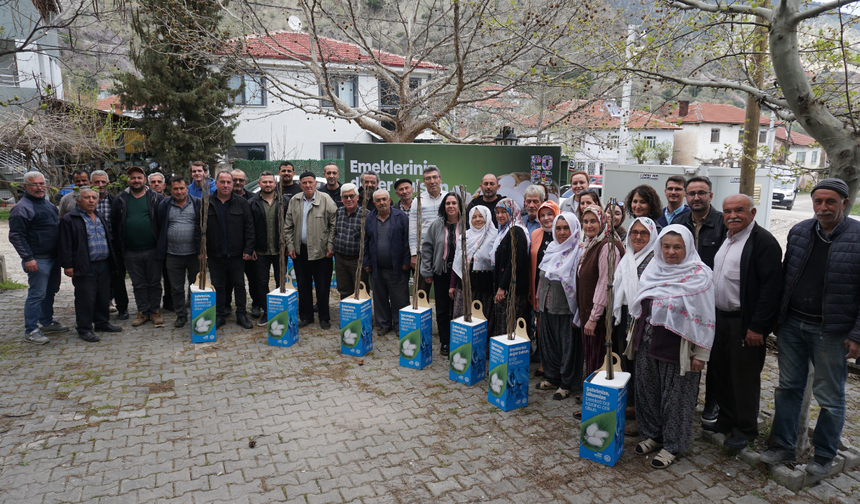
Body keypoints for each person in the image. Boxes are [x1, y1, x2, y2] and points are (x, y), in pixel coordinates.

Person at [761, 178, 860, 475]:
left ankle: (824, 455)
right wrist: (777, 317)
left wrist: (857, 335)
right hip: (792, 324)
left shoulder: (857, 237)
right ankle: (784, 445)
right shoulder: (800, 231)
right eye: (818, 201)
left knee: (830, 396)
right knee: (788, 388)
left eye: (831, 202)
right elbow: (786, 274)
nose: (823, 207)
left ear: (845, 203)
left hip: (831, 332)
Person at [630, 225, 715, 469]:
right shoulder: (653, 269)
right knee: (648, 393)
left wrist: (701, 354)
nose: (671, 252)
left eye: (678, 247)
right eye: (666, 246)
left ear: (688, 248)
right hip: (648, 344)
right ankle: (653, 435)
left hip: (679, 351)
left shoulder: (700, 275)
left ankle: (673, 445)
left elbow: (707, 316)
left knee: (676, 401)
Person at [706, 194, 783, 450]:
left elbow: (771, 289)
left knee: (744, 377)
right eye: (727, 211)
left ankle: (745, 429)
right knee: (721, 372)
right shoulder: (728, 238)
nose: (732, 216)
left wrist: (758, 326)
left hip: (744, 322)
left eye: (739, 210)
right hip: (720, 318)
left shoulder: (763, 242)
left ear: (753, 213)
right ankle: (726, 420)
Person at [674, 175, 726, 424]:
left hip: (711, 298)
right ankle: (688, 398)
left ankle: (712, 402)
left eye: (701, 193)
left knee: (712, 355)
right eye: (692, 193)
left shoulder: (722, 223)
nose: (696, 197)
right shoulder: (680, 222)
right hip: (684, 296)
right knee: (686, 350)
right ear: (686, 196)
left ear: (710, 196)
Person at [8, 171, 67, 344]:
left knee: (50, 291)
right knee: (37, 294)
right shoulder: (22, 208)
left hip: (53, 257)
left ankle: (46, 322)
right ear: (25, 186)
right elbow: (16, 236)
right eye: (35, 184)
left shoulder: (47, 204)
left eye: (42, 184)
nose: (40, 187)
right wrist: (28, 258)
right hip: (38, 259)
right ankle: (31, 330)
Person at [613, 217, 659, 434]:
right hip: (625, 317)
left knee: (643, 371)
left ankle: (646, 418)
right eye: (634, 232)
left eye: (644, 233)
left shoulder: (656, 260)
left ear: (652, 236)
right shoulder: (627, 256)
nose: (638, 237)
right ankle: (632, 405)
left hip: (643, 322)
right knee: (628, 365)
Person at [59, 187, 122, 342]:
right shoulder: (69, 219)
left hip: (103, 263)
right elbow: (65, 244)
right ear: (78, 200)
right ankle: (84, 328)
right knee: (85, 298)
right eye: (87, 198)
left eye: (94, 198)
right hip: (84, 265)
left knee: (103, 295)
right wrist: (68, 265)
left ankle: (102, 323)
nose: (91, 201)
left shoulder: (99, 216)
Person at [535, 212, 583, 401]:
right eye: (558, 228)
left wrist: (578, 314)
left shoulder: (578, 251)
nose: (562, 232)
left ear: (574, 229)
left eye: (566, 228)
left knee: (567, 348)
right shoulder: (551, 249)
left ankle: (567, 383)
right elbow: (542, 276)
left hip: (566, 309)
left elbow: (580, 285)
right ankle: (552, 377)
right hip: (546, 307)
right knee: (548, 345)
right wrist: (538, 299)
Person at [111, 166, 165, 328]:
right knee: (138, 283)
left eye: (139, 177)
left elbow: (163, 222)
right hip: (130, 251)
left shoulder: (156, 198)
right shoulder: (120, 199)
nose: (136, 180)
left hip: (153, 249)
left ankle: (155, 311)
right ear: (129, 180)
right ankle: (143, 312)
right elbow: (114, 224)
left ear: (144, 179)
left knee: (154, 282)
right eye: (133, 178)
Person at [285, 171, 337, 329]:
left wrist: (330, 245)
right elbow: (288, 226)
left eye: (310, 182)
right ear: (300, 185)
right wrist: (290, 246)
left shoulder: (325, 199)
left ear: (315, 183)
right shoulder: (295, 200)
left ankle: (324, 318)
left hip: (322, 252)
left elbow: (333, 224)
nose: (308, 185)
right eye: (304, 183)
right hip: (300, 251)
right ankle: (306, 316)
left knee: (323, 286)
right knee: (303, 285)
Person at [576, 204, 624, 378]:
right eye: (585, 221)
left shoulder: (608, 246)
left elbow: (605, 284)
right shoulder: (592, 243)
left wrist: (594, 317)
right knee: (591, 359)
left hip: (599, 318)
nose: (588, 225)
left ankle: (596, 392)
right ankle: (591, 390)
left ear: (602, 222)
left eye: (593, 221)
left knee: (599, 362)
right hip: (589, 314)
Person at [204, 171, 255, 329]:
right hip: (215, 254)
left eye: (228, 182)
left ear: (232, 184)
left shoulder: (242, 203)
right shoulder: (206, 202)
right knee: (218, 286)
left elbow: (249, 227)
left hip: (237, 254)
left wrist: (248, 248)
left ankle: (241, 315)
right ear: (216, 184)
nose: (225, 185)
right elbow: (199, 228)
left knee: (239, 285)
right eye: (222, 182)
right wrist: (202, 250)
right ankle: (220, 315)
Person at [421, 191, 464, 356]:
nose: (451, 206)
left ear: (460, 206)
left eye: (454, 203)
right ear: (443, 206)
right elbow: (427, 249)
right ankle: (445, 341)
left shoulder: (467, 224)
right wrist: (427, 271)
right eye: (448, 203)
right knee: (442, 308)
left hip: (462, 275)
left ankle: (459, 340)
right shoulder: (436, 225)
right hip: (442, 272)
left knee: (460, 307)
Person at [156, 175, 202, 328]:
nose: (179, 191)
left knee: (196, 287)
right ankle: (181, 315)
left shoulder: (197, 203)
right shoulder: (164, 204)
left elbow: (203, 227)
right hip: (173, 254)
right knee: (176, 288)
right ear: (171, 189)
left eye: (182, 188)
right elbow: (160, 226)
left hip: (195, 255)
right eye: (175, 189)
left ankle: (197, 314)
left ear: (187, 188)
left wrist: (202, 250)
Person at [363, 189, 411, 335]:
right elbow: (365, 242)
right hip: (376, 267)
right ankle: (384, 324)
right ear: (374, 203)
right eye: (378, 200)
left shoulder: (401, 217)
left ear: (389, 200)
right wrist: (366, 262)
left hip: (397, 267)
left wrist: (406, 261)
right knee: (380, 298)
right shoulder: (369, 218)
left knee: (400, 299)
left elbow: (407, 241)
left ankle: (400, 326)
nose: (382, 202)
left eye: (384, 199)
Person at [249, 171, 288, 326]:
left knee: (281, 281)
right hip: (260, 251)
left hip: (280, 250)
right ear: (259, 184)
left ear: (275, 183)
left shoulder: (284, 201)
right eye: (264, 182)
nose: (268, 184)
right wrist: (250, 248)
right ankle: (267, 311)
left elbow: (290, 225)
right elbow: (249, 227)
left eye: (270, 182)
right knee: (261, 282)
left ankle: (280, 311)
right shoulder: (252, 203)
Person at [490, 198, 530, 338]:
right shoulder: (504, 231)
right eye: (497, 212)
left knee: (510, 326)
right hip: (508, 288)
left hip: (513, 290)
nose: (499, 215)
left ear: (512, 212)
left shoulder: (516, 231)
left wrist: (502, 287)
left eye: (504, 212)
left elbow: (515, 262)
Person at [451, 204, 498, 321]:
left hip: (485, 288)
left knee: (482, 319)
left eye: (481, 216)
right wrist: (452, 285)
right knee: (462, 318)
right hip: (465, 286)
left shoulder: (495, 236)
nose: (477, 219)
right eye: (474, 217)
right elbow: (457, 262)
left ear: (487, 217)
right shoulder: (464, 237)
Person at [528, 200, 560, 376]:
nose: (546, 218)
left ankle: (556, 364)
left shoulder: (563, 232)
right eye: (543, 215)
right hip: (539, 286)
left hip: (557, 290)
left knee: (555, 328)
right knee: (541, 326)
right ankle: (543, 362)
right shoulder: (535, 233)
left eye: (550, 214)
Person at [92, 169, 128, 320]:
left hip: (114, 245)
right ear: (91, 183)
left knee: (118, 278)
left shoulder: (116, 200)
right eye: (96, 182)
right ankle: (99, 309)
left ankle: (122, 308)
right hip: (94, 246)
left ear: (108, 183)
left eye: (103, 182)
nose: (100, 185)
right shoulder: (87, 200)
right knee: (97, 279)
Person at [225, 168, 259, 316]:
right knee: (229, 281)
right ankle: (226, 306)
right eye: (234, 180)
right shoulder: (223, 199)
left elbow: (255, 226)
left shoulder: (254, 198)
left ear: (245, 182)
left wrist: (252, 247)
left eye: (240, 180)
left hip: (250, 248)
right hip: (231, 249)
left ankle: (256, 305)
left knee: (253, 279)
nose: (237, 182)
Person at [409, 167, 446, 288]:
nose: (432, 181)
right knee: (421, 291)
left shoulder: (448, 198)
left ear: (440, 179)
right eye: (428, 178)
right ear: (424, 182)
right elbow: (413, 228)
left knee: (443, 290)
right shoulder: (418, 201)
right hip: (424, 253)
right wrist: (414, 254)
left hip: (444, 251)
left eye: (435, 177)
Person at [333, 183, 369, 299]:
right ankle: (347, 310)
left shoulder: (366, 215)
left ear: (357, 197)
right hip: (340, 259)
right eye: (345, 197)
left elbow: (370, 240)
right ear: (341, 198)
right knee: (344, 290)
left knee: (360, 290)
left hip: (357, 260)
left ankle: (362, 311)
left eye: (352, 196)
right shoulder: (338, 212)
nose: (349, 199)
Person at [147, 170, 173, 311]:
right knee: (153, 277)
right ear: (148, 184)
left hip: (168, 245)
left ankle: (169, 301)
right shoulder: (146, 201)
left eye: (159, 182)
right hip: (152, 245)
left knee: (169, 276)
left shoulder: (170, 201)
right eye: (153, 182)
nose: (156, 184)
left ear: (164, 185)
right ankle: (152, 304)